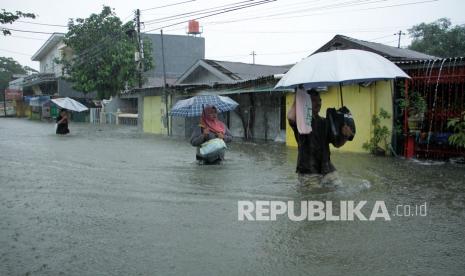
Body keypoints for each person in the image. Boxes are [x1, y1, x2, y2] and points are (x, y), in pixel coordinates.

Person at [288, 89, 353, 187]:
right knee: (313, 199)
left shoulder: (324, 122)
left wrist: (344, 136)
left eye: (319, 100)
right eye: (314, 100)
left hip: (326, 168)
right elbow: (291, 117)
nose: (318, 103)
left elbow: (337, 144)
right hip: (308, 170)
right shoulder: (302, 122)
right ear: (307, 103)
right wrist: (298, 98)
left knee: (339, 188)